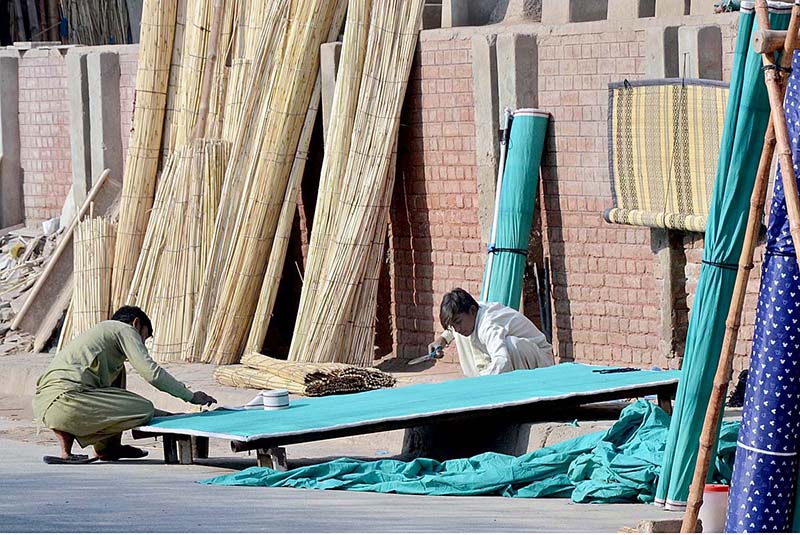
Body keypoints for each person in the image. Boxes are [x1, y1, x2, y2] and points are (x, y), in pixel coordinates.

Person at [33, 306, 217, 464]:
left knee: (118, 382)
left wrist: (168, 416)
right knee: (144, 407)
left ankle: (105, 448)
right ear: (136, 324)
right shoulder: (124, 329)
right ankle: (101, 448)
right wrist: (191, 396)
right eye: (144, 337)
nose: (142, 343)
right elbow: (151, 373)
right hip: (67, 401)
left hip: (47, 403)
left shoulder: (102, 339)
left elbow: (111, 398)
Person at [428, 288, 554, 377]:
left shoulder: (488, 324)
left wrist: (482, 386)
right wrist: (442, 340)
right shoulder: (471, 312)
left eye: (458, 322)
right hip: (521, 359)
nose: (458, 329)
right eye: (453, 325)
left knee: (511, 345)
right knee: (460, 334)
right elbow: (454, 328)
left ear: (472, 311)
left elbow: (502, 360)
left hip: (542, 363)